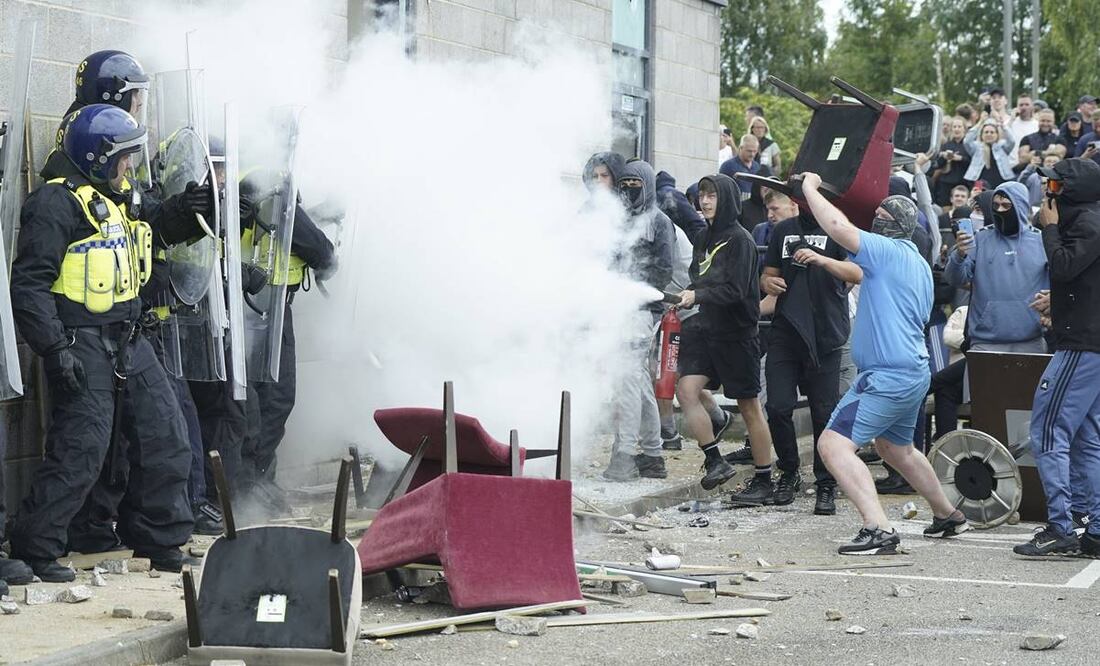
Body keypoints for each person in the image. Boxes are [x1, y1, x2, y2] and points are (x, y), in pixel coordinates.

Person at [9, 105, 203, 581]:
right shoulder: (55, 203)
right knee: (82, 447)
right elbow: (29, 285)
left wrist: (190, 208)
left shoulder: (122, 194)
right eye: (124, 157)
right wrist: (54, 350)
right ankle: (37, 545)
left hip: (131, 338)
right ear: (97, 157)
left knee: (167, 437)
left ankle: (160, 539)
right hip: (81, 342)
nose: (130, 167)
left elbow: (154, 224)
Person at [797, 172, 971, 555]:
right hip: (912, 371)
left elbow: (838, 227)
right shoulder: (915, 262)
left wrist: (810, 189)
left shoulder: (886, 251)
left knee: (833, 446)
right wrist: (828, 263)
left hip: (886, 376)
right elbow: (859, 272)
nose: (875, 218)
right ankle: (948, 515)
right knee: (897, 450)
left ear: (893, 226)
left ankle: (877, 528)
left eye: (882, 215)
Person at [1013, 158, 1100, 558]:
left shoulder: (1088, 222)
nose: (1049, 193)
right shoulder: (1088, 219)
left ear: (1074, 190)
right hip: (1088, 342)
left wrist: (1050, 228)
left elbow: (1064, 265)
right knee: (1085, 438)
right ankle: (1094, 527)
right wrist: (1059, 302)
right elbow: (1083, 281)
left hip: (1081, 347)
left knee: (1047, 432)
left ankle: (1062, 527)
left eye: (1056, 186)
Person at [238, 174, 337, 508]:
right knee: (271, 399)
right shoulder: (267, 176)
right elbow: (311, 242)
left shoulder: (253, 171)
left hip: (260, 303)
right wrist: (326, 256)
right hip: (264, 306)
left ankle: (259, 483)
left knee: (261, 400)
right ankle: (254, 485)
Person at [755, 200, 861, 514]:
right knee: (777, 406)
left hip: (826, 332)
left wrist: (821, 260)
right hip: (786, 331)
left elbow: (856, 272)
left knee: (823, 413)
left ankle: (826, 483)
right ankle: (789, 473)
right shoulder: (783, 230)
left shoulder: (839, 226)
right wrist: (767, 282)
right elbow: (769, 274)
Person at [675, 174, 773, 493]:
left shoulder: (741, 241)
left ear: (727, 199)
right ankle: (716, 460)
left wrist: (697, 296)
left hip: (738, 334)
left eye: (712, 195)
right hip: (707, 329)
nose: (704, 201)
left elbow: (734, 290)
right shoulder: (703, 237)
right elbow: (699, 279)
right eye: (701, 195)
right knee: (687, 390)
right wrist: (684, 296)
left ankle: (764, 478)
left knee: (749, 407)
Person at [599, 160, 674, 480]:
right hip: (618, 310)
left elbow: (664, 270)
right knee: (637, 381)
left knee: (627, 379)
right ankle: (654, 455)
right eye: (624, 183)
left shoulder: (658, 221)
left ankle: (626, 454)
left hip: (642, 312)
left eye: (635, 184)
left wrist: (637, 294)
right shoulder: (618, 220)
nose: (629, 189)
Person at [944, 181, 1049, 353]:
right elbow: (955, 279)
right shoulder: (980, 238)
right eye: (996, 205)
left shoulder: (1041, 241)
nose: (999, 210)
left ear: (1021, 207)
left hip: (1030, 340)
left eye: (1006, 205)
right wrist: (959, 255)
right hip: (985, 340)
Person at [931, 117, 972, 206]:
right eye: (954, 127)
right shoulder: (946, 145)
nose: (957, 129)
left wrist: (960, 158)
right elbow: (938, 165)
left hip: (963, 182)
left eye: (959, 126)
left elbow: (973, 164)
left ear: (964, 129)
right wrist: (944, 156)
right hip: (946, 183)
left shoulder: (969, 145)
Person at [964, 120, 1015, 190]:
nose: (989, 134)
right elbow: (967, 141)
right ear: (982, 135)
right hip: (979, 182)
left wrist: (1003, 127)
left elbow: (1012, 141)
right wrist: (979, 124)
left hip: (1001, 182)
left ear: (997, 135)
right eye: (986, 132)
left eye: (992, 132)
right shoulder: (976, 147)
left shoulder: (1002, 146)